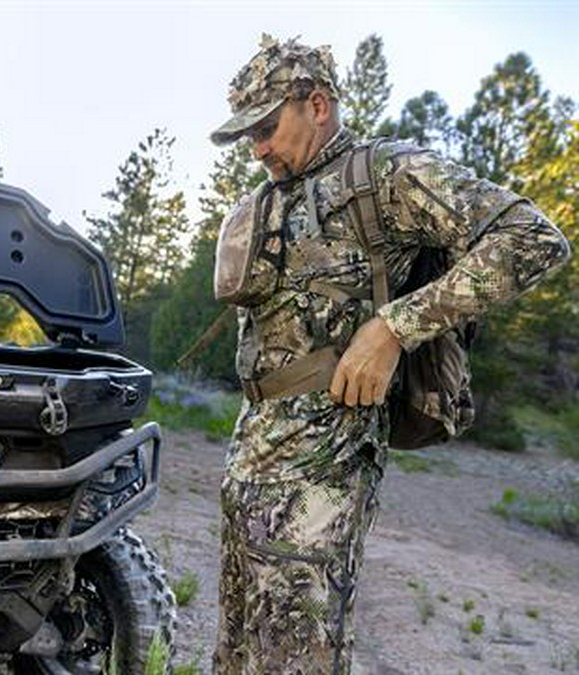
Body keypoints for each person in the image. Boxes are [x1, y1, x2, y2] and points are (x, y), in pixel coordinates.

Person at [208, 35, 571, 674]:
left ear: (317, 105)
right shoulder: (273, 196)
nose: (258, 148)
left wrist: (395, 327)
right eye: (248, 137)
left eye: (267, 127)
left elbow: (533, 239)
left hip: (323, 469)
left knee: (297, 660)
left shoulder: (386, 174)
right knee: (238, 655)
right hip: (251, 458)